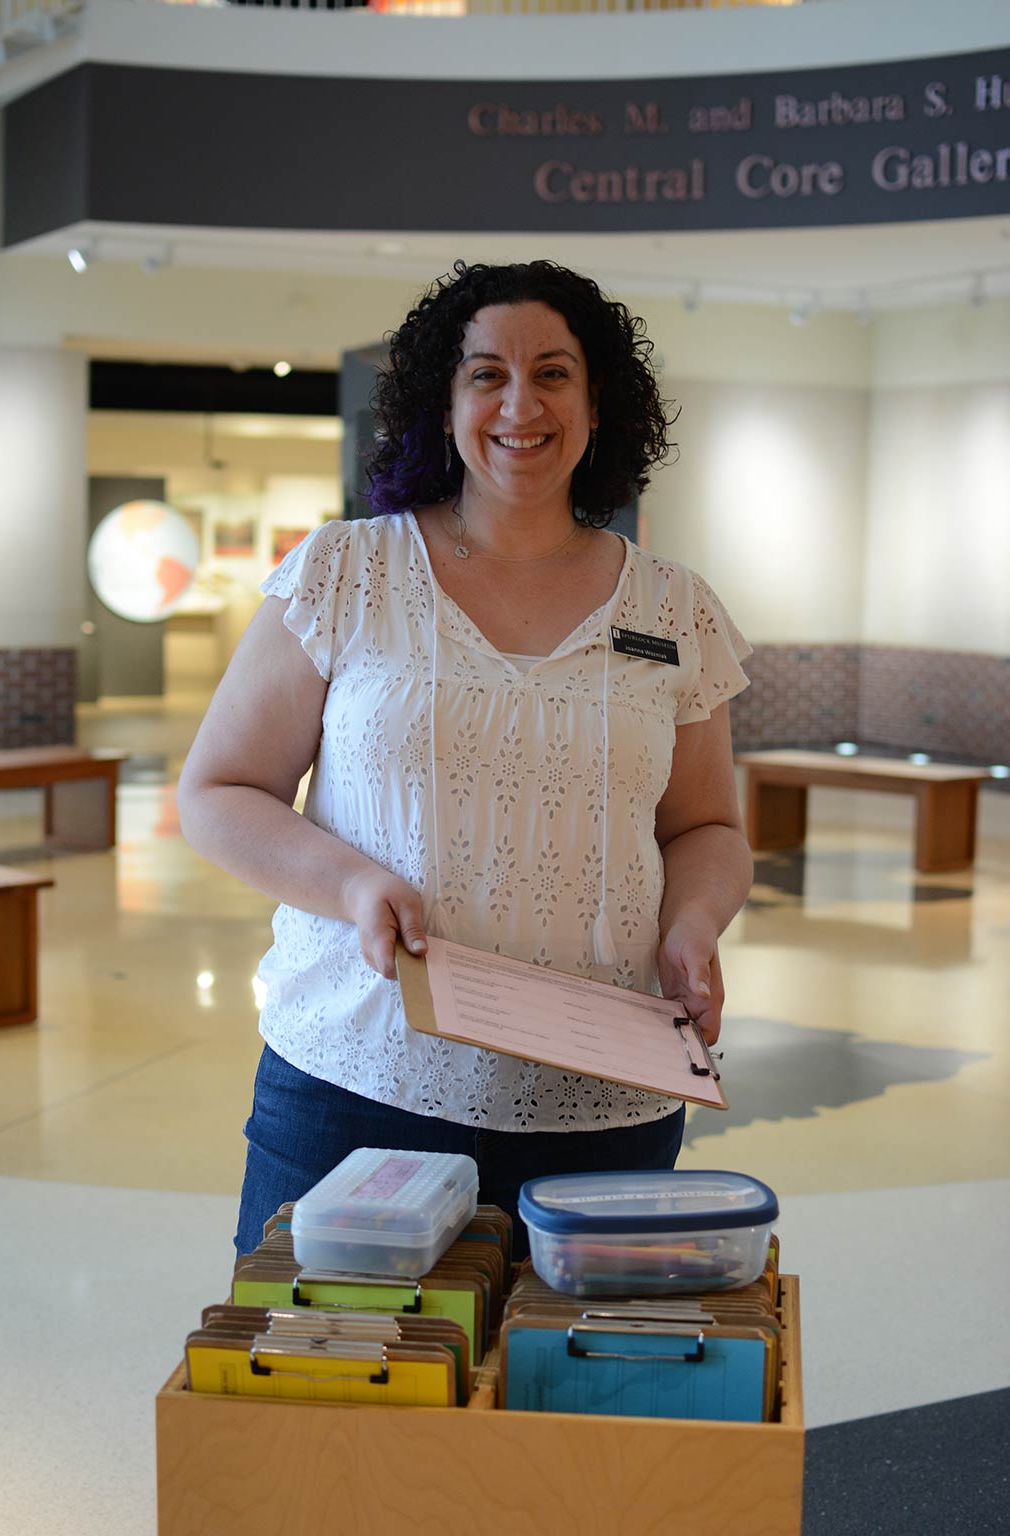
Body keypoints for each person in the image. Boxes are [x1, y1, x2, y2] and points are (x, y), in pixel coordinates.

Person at [177, 260, 753, 1260]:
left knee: (558, 1400)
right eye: (485, 373)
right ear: (442, 404)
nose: (518, 404)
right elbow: (219, 792)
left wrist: (694, 922)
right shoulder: (345, 571)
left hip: (603, 1100)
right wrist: (351, 883)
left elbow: (704, 826)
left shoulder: (674, 608)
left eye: (553, 372)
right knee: (322, 1397)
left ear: (595, 400)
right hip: (356, 1082)